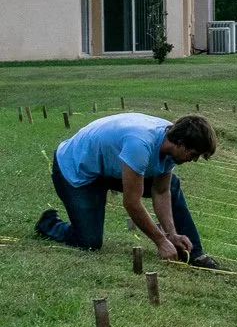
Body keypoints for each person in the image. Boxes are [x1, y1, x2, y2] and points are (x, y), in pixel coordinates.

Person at [35, 112, 221, 267]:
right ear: (180, 142)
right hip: (77, 167)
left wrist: (171, 234)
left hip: (110, 166)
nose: (193, 160)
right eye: (193, 154)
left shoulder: (170, 144)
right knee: (89, 242)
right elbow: (132, 203)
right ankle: (49, 223)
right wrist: (160, 241)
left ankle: (195, 253)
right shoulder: (140, 144)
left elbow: (161, 191)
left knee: (172, 184)